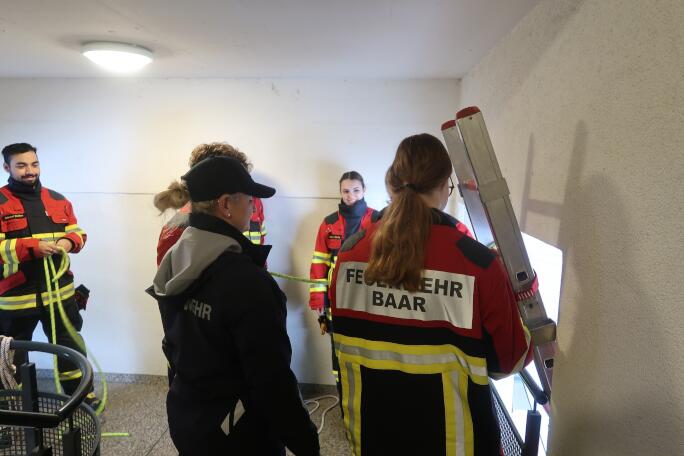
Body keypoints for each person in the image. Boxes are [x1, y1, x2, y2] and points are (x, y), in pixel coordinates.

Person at [329, 134, 532, 455]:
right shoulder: (477, 263)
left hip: (374, 435)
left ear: (391, 185)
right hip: (454, 442)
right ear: (442, 188)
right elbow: (509, 361)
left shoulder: (348, 255)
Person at [148, 156, 319, 456]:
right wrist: (306, 444)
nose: (253, 207)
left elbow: (174, 347)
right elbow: (272, 382)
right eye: (250, 199)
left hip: (188, 417)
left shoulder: (175, 259)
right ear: (226, 204)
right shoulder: (247, 282)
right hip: (238, 437)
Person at [0, 143, 100, 407]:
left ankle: (80, 400)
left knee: (70, 350)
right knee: (9, 358)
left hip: (60, 294)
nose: (30, 170)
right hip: (15, 300)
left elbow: (78, 232)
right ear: (7, 167)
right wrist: (31, 248)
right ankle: (9, 412)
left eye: (34, 164)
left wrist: (69, 242)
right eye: (21, 165)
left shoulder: (57, 200)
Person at [309, 171, 379, 388]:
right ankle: (343, 397)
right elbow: (318, 262)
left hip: (369, 296)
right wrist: (318, 300)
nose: (351, 196)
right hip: (336, 296)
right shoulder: (328, 224)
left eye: (356, 190)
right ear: (340, 192)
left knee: (371, 347)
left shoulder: (378, 219)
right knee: (338, 347)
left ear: (364, 190)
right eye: (346, 191)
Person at [155, 142, 267, 266]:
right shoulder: (176, 231)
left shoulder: (253, 203)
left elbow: (260, 241)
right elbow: (171, 282)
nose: (252, 205)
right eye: (239, 180)